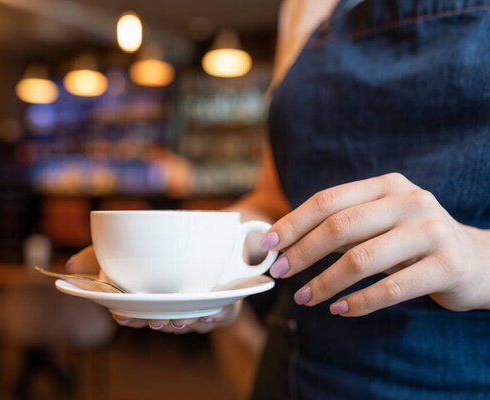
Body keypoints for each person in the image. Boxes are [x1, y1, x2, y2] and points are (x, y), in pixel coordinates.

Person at [67, 0, 490, 398]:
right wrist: (206, 266)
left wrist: (475, 256)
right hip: (295, 364)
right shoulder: (306, 5)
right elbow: (275, 199)